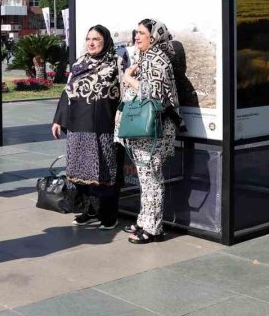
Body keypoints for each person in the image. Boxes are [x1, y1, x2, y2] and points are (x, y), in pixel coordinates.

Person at [52, 25, 122, 230]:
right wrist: (58, 120)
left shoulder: (116, 63)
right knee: (81, 172)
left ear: (106, 41)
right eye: (89, 39)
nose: (91, 43)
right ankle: (89, 211)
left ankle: (108, 215)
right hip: (78, 126)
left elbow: (124, 94)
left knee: (104, 170)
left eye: (97, 39)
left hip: (103, 127)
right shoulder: (79, 63)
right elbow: (67, 92)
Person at [117, 19, 182, 244]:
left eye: (142, 33)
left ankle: (153, 228)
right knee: (146, 178)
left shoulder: (157, 59)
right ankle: (145, 220)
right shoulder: (148, 58)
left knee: (152, 179)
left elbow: (153, 95)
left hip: (156, 129)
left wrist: (128, 78)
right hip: (147, 129)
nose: (137, 37)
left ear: (153, 37)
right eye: (136, 33)